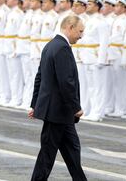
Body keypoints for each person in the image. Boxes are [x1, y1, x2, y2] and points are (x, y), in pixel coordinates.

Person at [29, 15, 87, 181]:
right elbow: (66, 82)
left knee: (73, 153)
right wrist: (76, 107)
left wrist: (35, 104)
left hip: (60, 113)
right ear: (69, 27)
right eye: (80, 31)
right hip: (58, 112)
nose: (81, 36)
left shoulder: (50, 45)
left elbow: (40, 77)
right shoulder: (61, 48)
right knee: (47, 156)